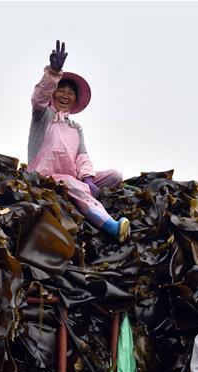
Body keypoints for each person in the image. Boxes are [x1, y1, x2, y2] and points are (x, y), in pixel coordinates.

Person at [28, 40, 129, 241]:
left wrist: (88, 178)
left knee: (114, 176)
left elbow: (82, 157)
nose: (65, 95)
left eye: (71, 92)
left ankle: (86, 192)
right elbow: (39, 98)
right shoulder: (43, 116)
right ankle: (110, 225)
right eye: (61, 90)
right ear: (54, 94)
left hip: (73, 177)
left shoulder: (76, 127)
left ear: (75, 99)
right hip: (45, 177)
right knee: (72, 183)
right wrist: (53, 72)